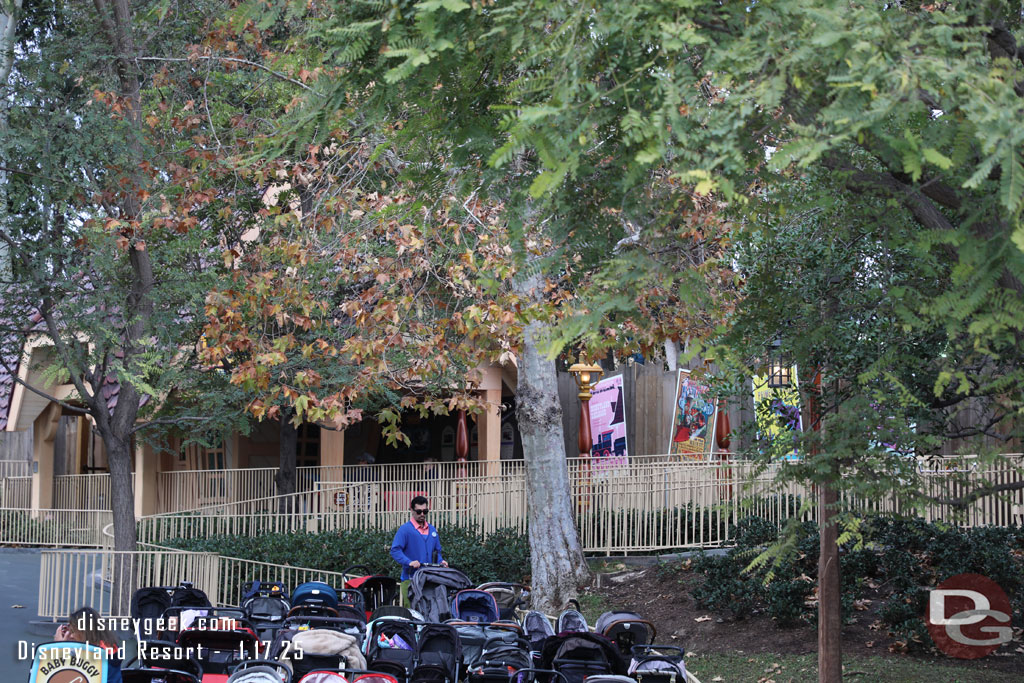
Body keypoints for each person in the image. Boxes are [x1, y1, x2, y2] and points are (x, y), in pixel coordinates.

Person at [391, 495, 447, 605]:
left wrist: (441, 561)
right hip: (411, 579)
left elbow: (437, 552)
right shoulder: (405, 530)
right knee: (413, 615)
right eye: (418, 511)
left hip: (430, 580)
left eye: (425, 511)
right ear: (411, 510)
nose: (422, 514)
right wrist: (409, 562)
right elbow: (395, 550)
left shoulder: (432, 530)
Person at [54, 606, 123, 683]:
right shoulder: (107, 648)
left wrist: (60, 647)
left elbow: (64, 677)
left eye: (73, 631)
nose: (71, 636)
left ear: (84, 631)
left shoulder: (93, 656)